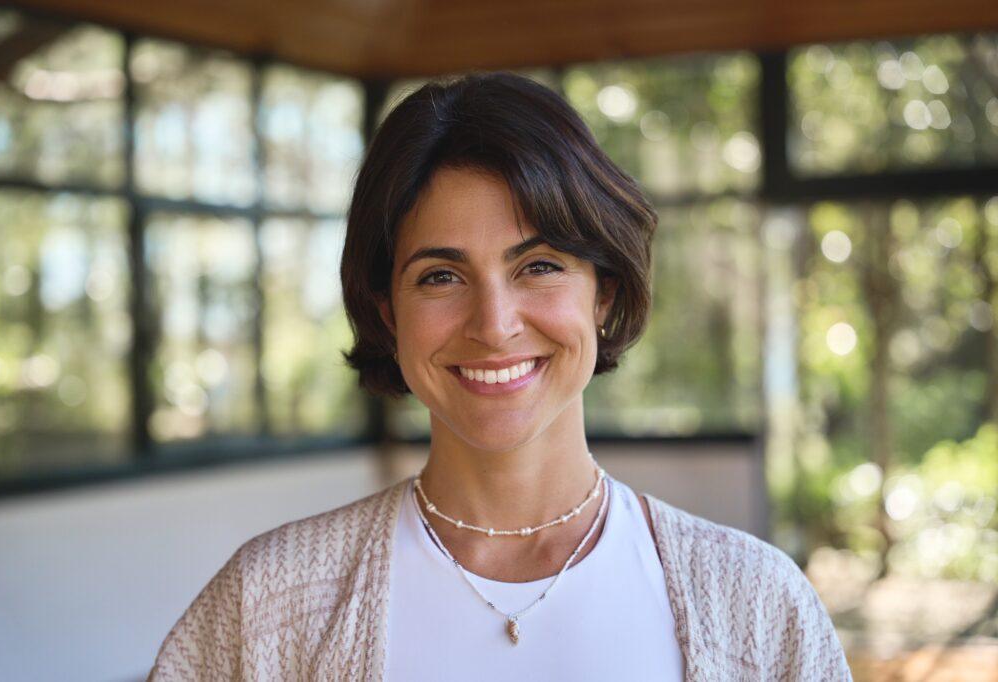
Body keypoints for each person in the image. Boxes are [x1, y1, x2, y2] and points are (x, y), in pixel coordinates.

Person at [148, 73, 852, 681]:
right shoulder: (269, 601)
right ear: (387, 312)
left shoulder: (759, 604)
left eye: (538, 266)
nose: (494, 323)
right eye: (441, 276)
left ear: (601, 292)